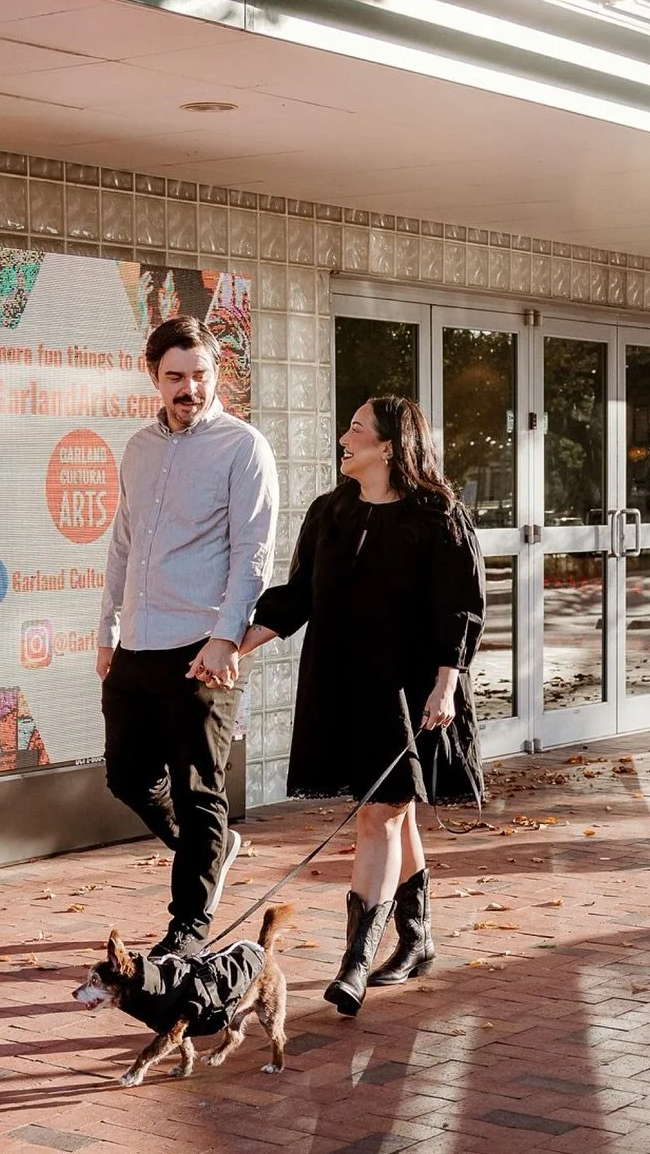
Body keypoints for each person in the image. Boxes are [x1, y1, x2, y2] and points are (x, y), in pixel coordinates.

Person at [236, 395, 485, 1015]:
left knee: (380, 816)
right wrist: (233, 646)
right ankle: (419, 936)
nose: (343, 436)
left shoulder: (439, 517)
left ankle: (354, 962)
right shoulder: (330, 513)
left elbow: (462, 607)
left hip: (410, 692)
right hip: (342, 686)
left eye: (356, 428)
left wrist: (446, 684)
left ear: (390, 447)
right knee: (391, 813)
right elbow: (297, 597)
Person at [97, 315, 280, 961]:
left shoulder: (242, 447)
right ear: (154, 376)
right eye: (175, 377)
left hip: (202, 646)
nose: (189, 389)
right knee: (127, 777)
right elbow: (124, 541)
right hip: (138, 643)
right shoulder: (140, 447)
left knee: (200, 788)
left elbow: (252, 553)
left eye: (199, 375)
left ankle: (188, 929)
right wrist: (107, 629)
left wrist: (227, 639)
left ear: (215, 374)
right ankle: (209, 849)